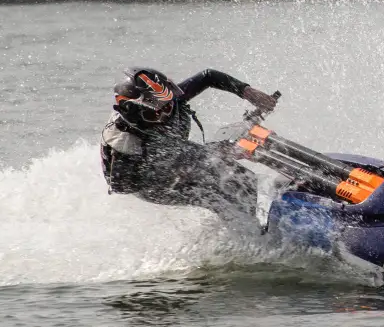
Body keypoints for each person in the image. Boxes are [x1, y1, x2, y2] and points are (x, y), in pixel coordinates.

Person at [100, 67, 278, 218]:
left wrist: (248, 92)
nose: (163, 114)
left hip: (171, 149)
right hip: (148, 180)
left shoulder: (164, 96)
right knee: (214, 187)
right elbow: (121, 185)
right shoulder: (125, 140)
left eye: (167, 106)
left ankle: (271, 192)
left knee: (221, 161)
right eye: (153, 114)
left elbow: (208, 76)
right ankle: (254, 221)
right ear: (132, 113)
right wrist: (227, 151)